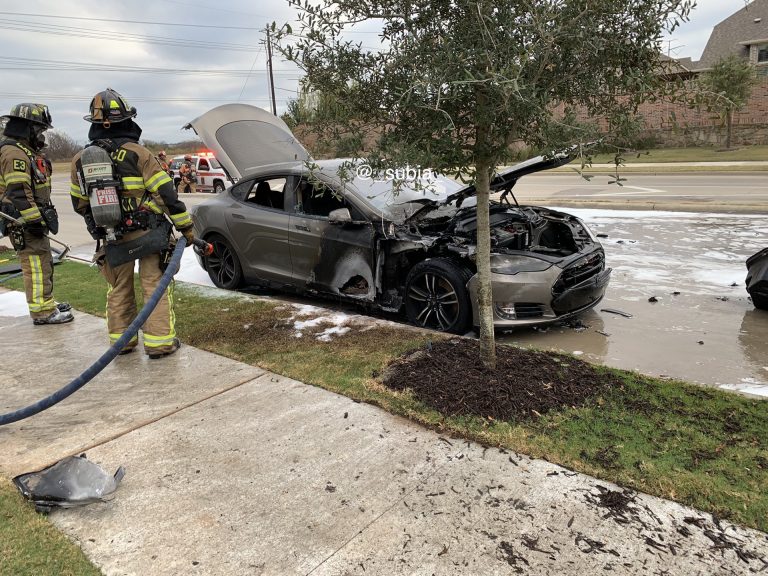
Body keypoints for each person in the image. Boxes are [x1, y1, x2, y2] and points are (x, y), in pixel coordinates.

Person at [70, 88, 196, 358]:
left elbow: (79, 203)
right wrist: (186, 227)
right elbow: (167, 195)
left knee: (118, 288)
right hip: (148, 233)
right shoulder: (138, 153)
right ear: (127, 121)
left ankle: (122, 343)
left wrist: (105, 223)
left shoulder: (80, 160)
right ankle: (159, 343)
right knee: (154, 285)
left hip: (113, 235)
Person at [0, 103, 73, 325]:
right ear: (27, 128)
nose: (41, 135)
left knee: (43, 261)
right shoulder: (14, 153)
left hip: (30, 218)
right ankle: (42, 312)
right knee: (36, 264)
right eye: (39, 130)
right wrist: (33, 220)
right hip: (22, 220)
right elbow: (19, 192)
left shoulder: (23, 151)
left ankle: (46, 302)